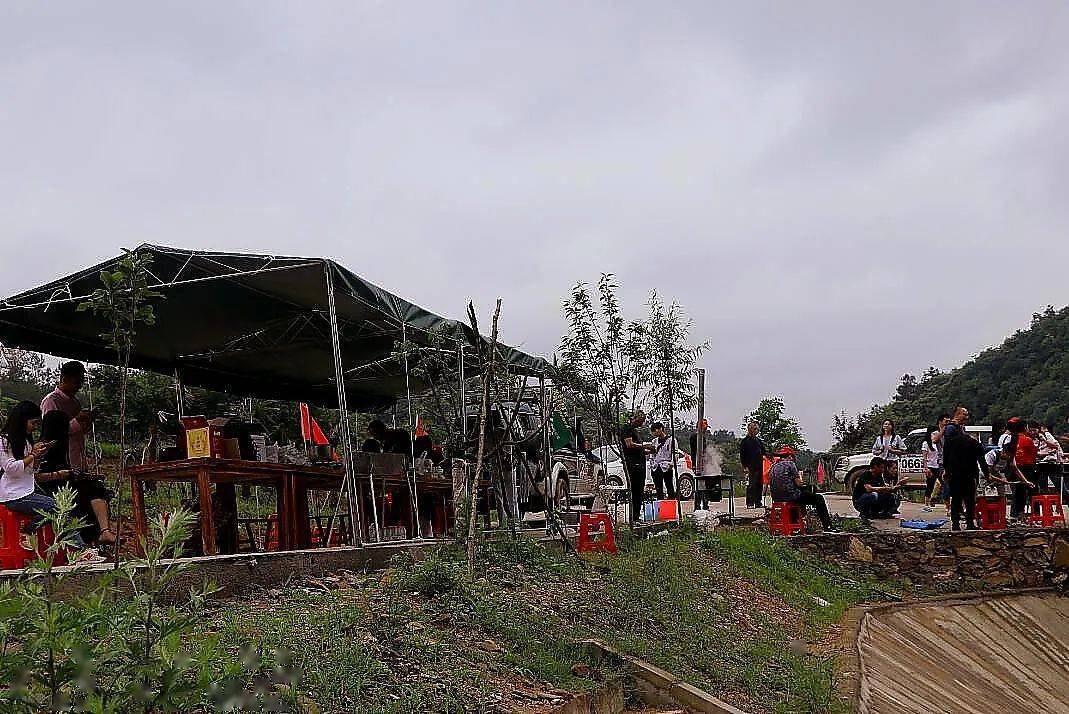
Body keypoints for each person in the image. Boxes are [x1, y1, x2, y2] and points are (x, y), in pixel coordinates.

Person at [0, 401, 101, 562]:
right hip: (13, 494)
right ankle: (29, 531)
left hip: (27, 489)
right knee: (58, 507)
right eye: (33, 423)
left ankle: (76, 549)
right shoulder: (4, 441)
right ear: (22, 420)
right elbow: (11, 469)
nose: (35, 427)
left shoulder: (25, 442)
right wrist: (33, 455)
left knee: (63, 505)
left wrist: (39, 455)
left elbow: (31, 470)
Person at [38, 410, 116, 545]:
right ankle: (85, 541)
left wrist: (79, 475)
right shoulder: (42, 447)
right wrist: (58, 475)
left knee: (94, 487)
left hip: (63, 482)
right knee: (80, 499)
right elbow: (35, 477)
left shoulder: (61, 444)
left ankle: (104, 532)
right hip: (49, 486)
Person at [40, 361, 94, 472]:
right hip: (61, 459)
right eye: (76, 382)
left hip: (78, 455)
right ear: (64, 379)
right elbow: (53, 433)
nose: (79, 387)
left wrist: (88, 420)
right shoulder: (51, 401)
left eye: (81, 383)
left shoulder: (75, 402)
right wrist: (77, 419)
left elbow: (80, 431)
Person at [943, 407, 990, 531]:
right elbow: (981, 458)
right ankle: (969, 523)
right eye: (965, 415)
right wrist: (986, 473)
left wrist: (946, 469)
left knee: (956, 499)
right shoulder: (971, 441)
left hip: (955, 471)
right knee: (968, 499)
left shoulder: (954, 437)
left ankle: (956, 524)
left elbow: (946, 453)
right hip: (966, 472)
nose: (967, 418)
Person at [768, 446, 833, 530]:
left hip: (776, 498)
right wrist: (808, 485)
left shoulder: (773, 466)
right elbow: (799, 483)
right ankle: (827, 526)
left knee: (798, 497)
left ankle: (794, 524)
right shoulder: (790, 464)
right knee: (818, 498)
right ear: (790, 456)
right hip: (790, 496)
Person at [618, 411, 651, 522]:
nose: (641, 424)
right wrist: (644, 446)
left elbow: (637, 448)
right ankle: (634, 517)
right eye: (640, 421)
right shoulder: (627, 428)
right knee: (635, 490)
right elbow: (629, 444)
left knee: (640, 491)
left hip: (639, 464)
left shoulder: (634, 431)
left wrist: (648, 451)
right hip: (633, 464)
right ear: (635, 418)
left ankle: (636, 516)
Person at [690, 419, 719, 510]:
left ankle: (705, 504)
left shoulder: (702, 437)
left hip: (704, 463)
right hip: (698, 464)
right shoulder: (695, 437)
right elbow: (695, 452)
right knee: (699, 486)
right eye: (704, 428)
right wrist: (695, 465)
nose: (706, 429)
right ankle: (698, 506)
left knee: (705, 485)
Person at [739, 421, 766, 509]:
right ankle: (750, 503)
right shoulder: (745, 441)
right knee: (751, 485)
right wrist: (744, 466)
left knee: (759, 484)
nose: (757, 431)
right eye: (755, 429)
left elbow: (763, 451)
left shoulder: (758, 441)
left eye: (757, 429)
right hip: (750, 466)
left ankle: (758, 502)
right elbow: (742, 455)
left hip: (759, 465)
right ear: (750, 429)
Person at [921, 418, 946, 510]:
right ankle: (926, 504)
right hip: (931, 466)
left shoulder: (939, 442)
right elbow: (924, 457)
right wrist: (926, 468)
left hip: (939, 466)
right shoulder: (926, 443)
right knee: (930, 485)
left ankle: (945, 503)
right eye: (934, 432)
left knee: (944, 484)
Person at [648, 422, 677, 500]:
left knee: (669, 485)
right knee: (658, 488)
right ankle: (660, 505)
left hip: (666, 466)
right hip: (656, 467)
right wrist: (652, 464)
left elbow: (675, 454)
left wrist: (671, 464)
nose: (653, 432)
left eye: (655, 430)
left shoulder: (671, 440)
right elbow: (652, 453)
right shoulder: (654, 441)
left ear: (660, 429)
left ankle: (671, 504)